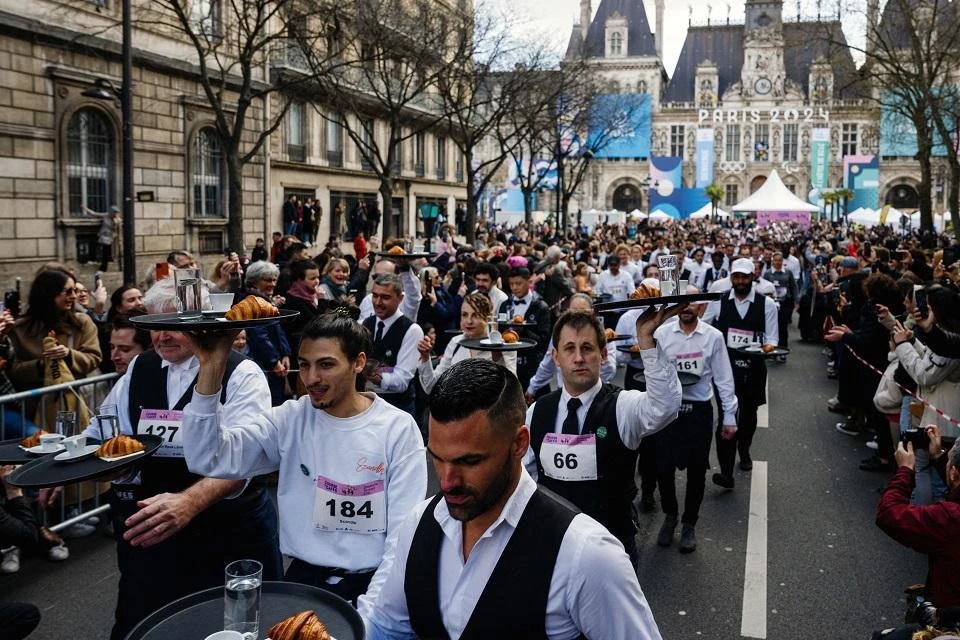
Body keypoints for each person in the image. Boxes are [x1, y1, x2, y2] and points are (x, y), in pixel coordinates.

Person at [359, 359, 663, 639]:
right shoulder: (418, 524)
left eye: (470, 461)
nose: (447, 481)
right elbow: (387, 627)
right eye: (437, 459)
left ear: (519, 444)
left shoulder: (588, 555)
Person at [61, 281, 282, 640]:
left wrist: (189, 501)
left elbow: (244, 459)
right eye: (154, 326)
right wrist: (88, 465)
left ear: (198, 322)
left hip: (225, 534)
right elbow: (104, 435)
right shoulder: (140, 369)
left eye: (173, 325)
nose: (162, 336)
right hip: (153, 536)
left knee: (228, 628)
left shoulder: (242, 374)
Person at [182, 312, 426, 605]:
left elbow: (402, 537)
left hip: (372, 585)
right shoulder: (290, 418)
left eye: (326, 365)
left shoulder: (397, 427)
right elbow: (207, 458)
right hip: (301, 584)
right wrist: (211, 367)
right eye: (304, 365)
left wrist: (369, 613)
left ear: (358, 363)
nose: (311, 379)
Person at [523, 308, 684, 566]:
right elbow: (525, 476)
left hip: (611, 547)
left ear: (603, 354)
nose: (578, 358)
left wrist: (646, 339)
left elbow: (664, 406)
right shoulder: (537, 412)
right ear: (556, 356)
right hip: (554, 543)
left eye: (587, 348)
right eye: (569, 349)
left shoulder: (622, 406)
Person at [651, 286, 738, 552]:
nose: (686, 307)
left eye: (692, 303)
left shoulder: (713, 337)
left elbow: (724, 378)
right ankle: (670, 515)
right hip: (668, 410)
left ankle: (689, 523)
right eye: (681, 303)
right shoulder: (662, 333)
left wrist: (730, 417)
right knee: (663, 468)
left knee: (697, 471)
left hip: (698, 410)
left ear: (701, 307)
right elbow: (652, 372)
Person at [703, 258, 779, 489]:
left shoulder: (766, 304)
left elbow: (773, 338)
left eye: (745, 277)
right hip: (725, 368)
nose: (740, 281)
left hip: (754, 368)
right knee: (726, 414)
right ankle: (726, 472)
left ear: (752, 277)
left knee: (748, 414)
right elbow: (705, 327)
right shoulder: (720, 301)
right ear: (731, 277)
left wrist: (769, 346)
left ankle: (744, 449)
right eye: (737, 277)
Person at [877, 428, 960, 610]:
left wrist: (905, 470)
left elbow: (889, 513)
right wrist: (938, 456)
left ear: (954, 473)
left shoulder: (950, 519)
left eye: (949, 460)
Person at [417, 293, 516, 393]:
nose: (469, 321)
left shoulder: (502, 346)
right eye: (464, 315)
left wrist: (498, 357)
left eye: (475, 315)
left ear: (487, 318)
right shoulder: (455, 343)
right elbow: (432, 387)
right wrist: (425, 358)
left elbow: (511, 390)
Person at [525, 293, 617, 400]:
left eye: (583, 313)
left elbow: (609, 373)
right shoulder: (561, 335)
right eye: (573, 313)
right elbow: (547, 365)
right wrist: (532, 388)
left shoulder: (603, 336)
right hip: (564, 396)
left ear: (592, 313)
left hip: (597, 397)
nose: (578, 358)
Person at [364, 274, 424, 415]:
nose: (377, 302)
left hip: (397, 409)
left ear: (400, 298)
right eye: (374, 296)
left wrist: (367, 373)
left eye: (385, 297)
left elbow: (401, 380)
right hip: (366, 405)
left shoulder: (411, 331)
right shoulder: (367, 324)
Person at [240, 260, 292, 406]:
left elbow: (278, 330)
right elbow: (258, 335)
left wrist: (286, 354)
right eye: (267, 280)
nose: (273, 284)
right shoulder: (252, 301)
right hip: (263, 364)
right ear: (254, 281)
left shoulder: (265, 300)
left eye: (275, 280)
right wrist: (274, 361)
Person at [497, 266, 551, 389]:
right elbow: (499, 331)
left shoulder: (541, 306)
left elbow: (544, 339)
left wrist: (524, 331)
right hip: (510, 362)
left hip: (532, 364)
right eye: (511, 284)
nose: (514, 287)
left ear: (529, 281)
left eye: (518, 283)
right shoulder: (505, 305)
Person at [764, 251, 799, 359]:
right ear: (772, 261)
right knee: (772, 328)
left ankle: (783, 351)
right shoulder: (768, 273)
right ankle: (771, 349)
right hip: (772, 304)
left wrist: (796, 301)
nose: (778, 262)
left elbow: (793, 287)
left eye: (780, 260)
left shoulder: (788, 272)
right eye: (775, 260)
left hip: (785, 303)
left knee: (783, 328)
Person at [81, 203, 119, 271]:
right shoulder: (106, 215)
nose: (115, 214)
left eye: (116, 213)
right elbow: (94, 214)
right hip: (102, 235)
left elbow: (116, 228)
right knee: (94, 245)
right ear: (111, 212)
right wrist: (85, 208)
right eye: (114, 212)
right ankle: (93, 259)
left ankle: (104, 267)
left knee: (105, 252)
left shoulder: (117, 220)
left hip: (109, 237)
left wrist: (115, 221)